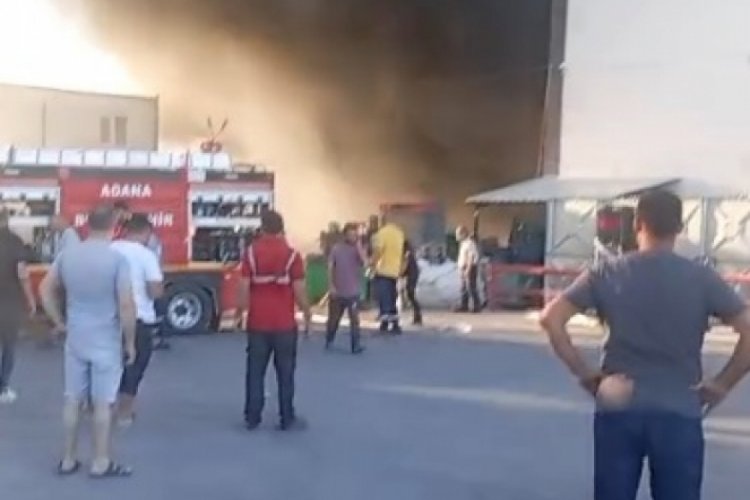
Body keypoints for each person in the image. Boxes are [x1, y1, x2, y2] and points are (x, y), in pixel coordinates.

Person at [540, 190, 750, 500]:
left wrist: (584, 374)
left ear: (637, 224)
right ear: (679, 228)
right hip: (679, 407)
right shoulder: (702, 278)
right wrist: (722, 384)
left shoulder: (607, 272)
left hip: (619, 404)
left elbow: (551, 318)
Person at [39, 204, 137, 478]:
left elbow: (45, 289)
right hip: (105, 339)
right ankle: (100, 462)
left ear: (88, 224)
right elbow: (126, 305)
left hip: (76, 337)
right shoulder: (117, 260)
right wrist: (130, 342)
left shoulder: (68, 255)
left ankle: (68, 459)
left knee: (73, 399)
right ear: (113, 227)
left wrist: (59, 322)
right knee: (103, 403)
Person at [236, 210, 311, 431]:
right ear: (281, 228)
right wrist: (307, 312)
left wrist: (240, 312)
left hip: (258, 322)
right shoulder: (292, 255)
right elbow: (299, 289)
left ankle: (252, 416)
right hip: (284, 324)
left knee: (255, 371)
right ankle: (286, 417)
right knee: (286, 372)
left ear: (262, 227)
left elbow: (243, 286)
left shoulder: (250, 253)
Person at [111, 214, 164, 426]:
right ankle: (124, 413)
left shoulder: (110, 250)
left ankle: (100, 408)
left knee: (108, 365)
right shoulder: (146, 255)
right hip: (139, 317)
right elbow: (155, 291)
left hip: (109, 317)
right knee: (134, 365)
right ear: (145, 232)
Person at [0, 209, 37, 404]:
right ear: (6, 220)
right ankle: (3, 388)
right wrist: (31, 300)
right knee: (8, 346)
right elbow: (22, 273)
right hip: (8, 303)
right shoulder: (14, 241)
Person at [326, 223, 365, 354]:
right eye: (350, 235)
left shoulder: (357, 249)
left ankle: (356, 345)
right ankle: (329, 339)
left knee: (354, 320)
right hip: (338, 291)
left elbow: (365, 262)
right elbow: (330, 267)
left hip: (353, 291)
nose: (353, 237)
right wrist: (331, 285)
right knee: (334, 319)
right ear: (345, 235)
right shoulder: (336, 249)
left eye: (355, 235)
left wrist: (359, 247)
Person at [371, 216, 405, 334]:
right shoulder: (399, 234)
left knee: (383, 297)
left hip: (383, 270)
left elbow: (378, 251)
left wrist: (372, 265)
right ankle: (394, 324)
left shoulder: (381, 233)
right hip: (395, 271)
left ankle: (385, 323)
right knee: (391, 297)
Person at [455, 226, 481, 313]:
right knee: (463, 288)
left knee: (471, 287)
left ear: (463, 234)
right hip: (463, 267)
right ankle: (464, 305)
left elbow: (471, 257)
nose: (457, 236)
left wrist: (468, 269)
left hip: (469, 267)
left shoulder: (469, 243)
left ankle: (476, 306)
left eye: (458, 234)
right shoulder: (464, 244)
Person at [402, 240, 422, 326]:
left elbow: (406, 267)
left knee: (410, 295)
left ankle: (417, 316)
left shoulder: (407, 254)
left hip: (412, 276)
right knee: (410, 295)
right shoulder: (409, 254)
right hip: (412, 275)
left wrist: (401, 273)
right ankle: (417, 316)